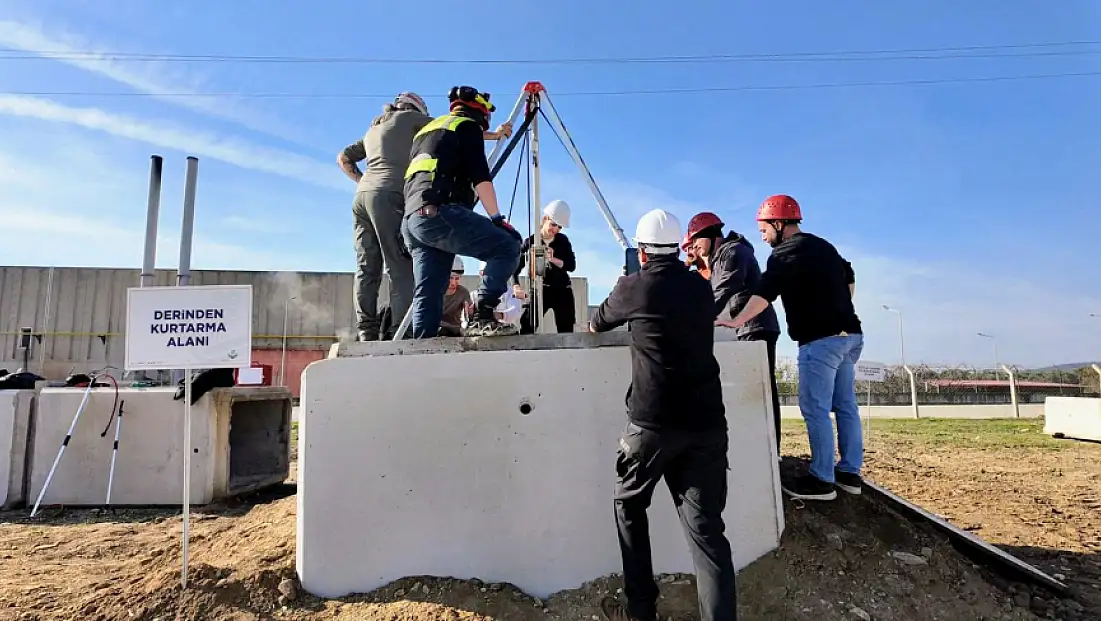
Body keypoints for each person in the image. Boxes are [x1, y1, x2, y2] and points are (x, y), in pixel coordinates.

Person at [589, 209, 737, 621]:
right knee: (707, 534)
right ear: (679, 248)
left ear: (641, 252)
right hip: (706, 423)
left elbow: (597, 322)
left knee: (629, 506)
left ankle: (641, 610)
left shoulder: (634, 286)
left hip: (651, 425)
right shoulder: (699, 288)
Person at [717, 194, 864, 502]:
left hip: (820, 342)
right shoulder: (824, 246)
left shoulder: (783, 254)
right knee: (846, 406)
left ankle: (822, 480)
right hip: (850, 335)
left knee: (816, 409)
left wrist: (735, 321)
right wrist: (839, 307)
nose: (762, 235)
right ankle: (849, 473)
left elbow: (764, 294)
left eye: (764, 229)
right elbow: (849, 277)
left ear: (779, 223)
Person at [401, 85, 522, 338]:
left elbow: (448, 150)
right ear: (481, 114)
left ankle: (421, 352)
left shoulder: (429, 130)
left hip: (413, 220)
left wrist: (494, 135)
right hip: (440, 213)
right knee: (508, 245)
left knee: (430, 289)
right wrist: (497, 219)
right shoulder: (467, 127)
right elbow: (481, 177)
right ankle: (483, 315)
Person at [686, 212, 783, 457]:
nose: (694, 246)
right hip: (748, 327)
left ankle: (771, 452)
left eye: (696, 240)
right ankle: (765, 450)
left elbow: (720, 292)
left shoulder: (733, 252)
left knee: (762, 393)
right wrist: (691, 267)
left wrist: (691, 321)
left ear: (710, 234)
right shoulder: (723, 255)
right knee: (756, 391)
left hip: (755, 327)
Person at [338, 92, 431, 341]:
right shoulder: (410, 118)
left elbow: (344, 158)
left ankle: (366, 329)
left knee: (367, 267)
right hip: (390, 195)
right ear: (415, 109)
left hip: (361, 198)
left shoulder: (374, 129)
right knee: (399, 264)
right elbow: (447, 128)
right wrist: (493, 134)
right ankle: (399, 331)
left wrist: (362, 181)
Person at [513, 200, 577, 333]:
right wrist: (516, 286)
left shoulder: (563, 241)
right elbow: (515, 268)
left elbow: (571, 266)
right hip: (541, 290)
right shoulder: (531, 242)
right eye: (554, 225)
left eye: (559, 227)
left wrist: (553, 259)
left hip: (562, 290)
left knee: (566, 328)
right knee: (527, 325)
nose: (556, 230)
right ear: (545, 219)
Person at [468, 261, 525, 329]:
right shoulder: (474, 295)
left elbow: (516, 311)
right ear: (481, 274)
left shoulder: (510, 292)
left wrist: (500, 315)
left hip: (507, 336)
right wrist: (470, 314)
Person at [439, 256, 474, 337]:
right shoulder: (435, 292)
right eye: (450, 278)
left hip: (456, 331)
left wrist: (470, 313)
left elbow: (468, 316)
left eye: (457, 278)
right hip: (438, 328)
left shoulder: (463, 292)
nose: (453, 282)